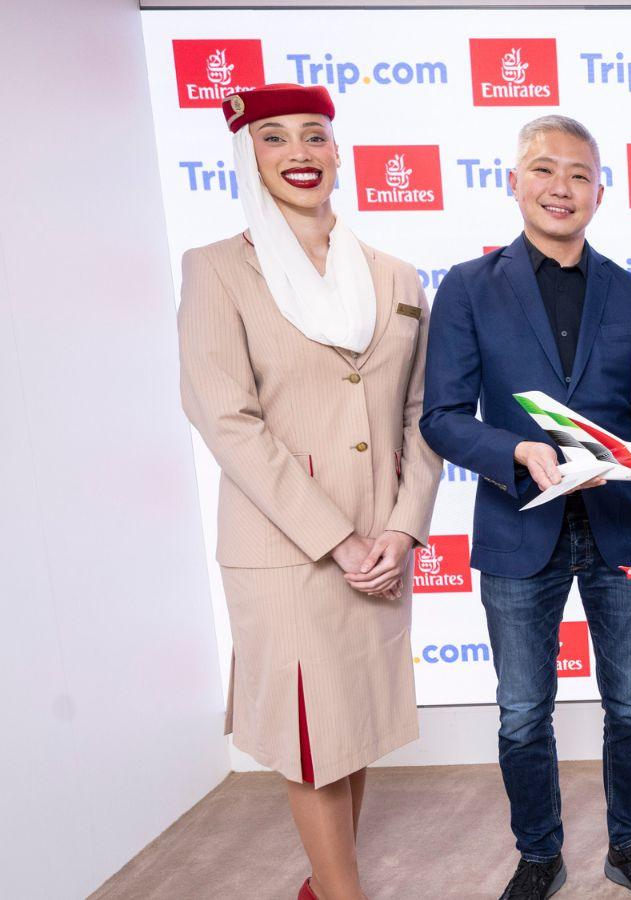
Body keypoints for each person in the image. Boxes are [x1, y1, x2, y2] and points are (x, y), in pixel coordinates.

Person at [419, 115, 631, 900]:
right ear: (514, 182)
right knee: (520, 713)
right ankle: (538, 854)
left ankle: (630, 846)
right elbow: (442, 417)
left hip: (623, 532)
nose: (561, 187)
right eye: (544, 170)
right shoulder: (468, 288)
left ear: (600, 193)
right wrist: (515, 451)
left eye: (579, 174)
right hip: (518, 528)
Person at [178, 84, 441, 900]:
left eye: (314, 135)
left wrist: (401, 528)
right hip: (286, 549)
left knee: (348, 727)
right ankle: (341, 894)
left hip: (381, 542)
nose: (298, 152)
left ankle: (325, 885)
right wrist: (339, 538)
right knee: (310, 737)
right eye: (274, 138)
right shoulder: (218, 270)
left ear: (337, 153)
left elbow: (423, 414)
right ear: (248, 158)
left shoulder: (396, 276)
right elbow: (225, 419)